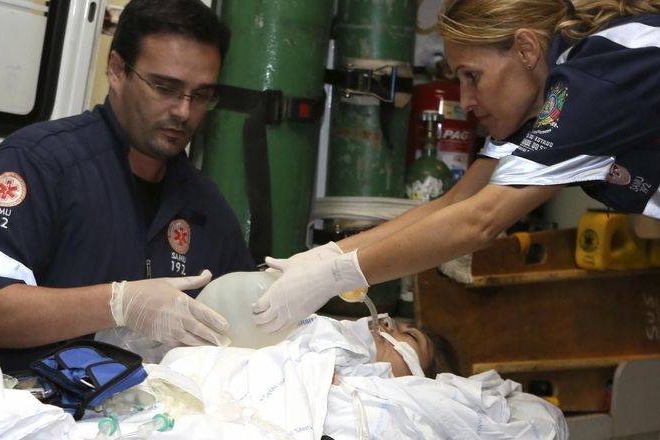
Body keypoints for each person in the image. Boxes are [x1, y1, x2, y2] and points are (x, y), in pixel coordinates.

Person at [252, 0, 660, 334]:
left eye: (472, 76)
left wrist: (337, 276)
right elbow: (460, 200)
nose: (465, 100)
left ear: (526, 50)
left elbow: (480, 222)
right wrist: (326, 256)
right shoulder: (548, 92)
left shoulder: (592, 80)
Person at [0, 0, 255, 371]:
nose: (183, 112)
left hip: (161, 417)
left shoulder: (206, 206)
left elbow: (244, 324)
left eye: (201, 95)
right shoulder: (39, 163)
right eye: (165, 87)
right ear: (117, 69)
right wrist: (118, 304)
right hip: (41, 414)